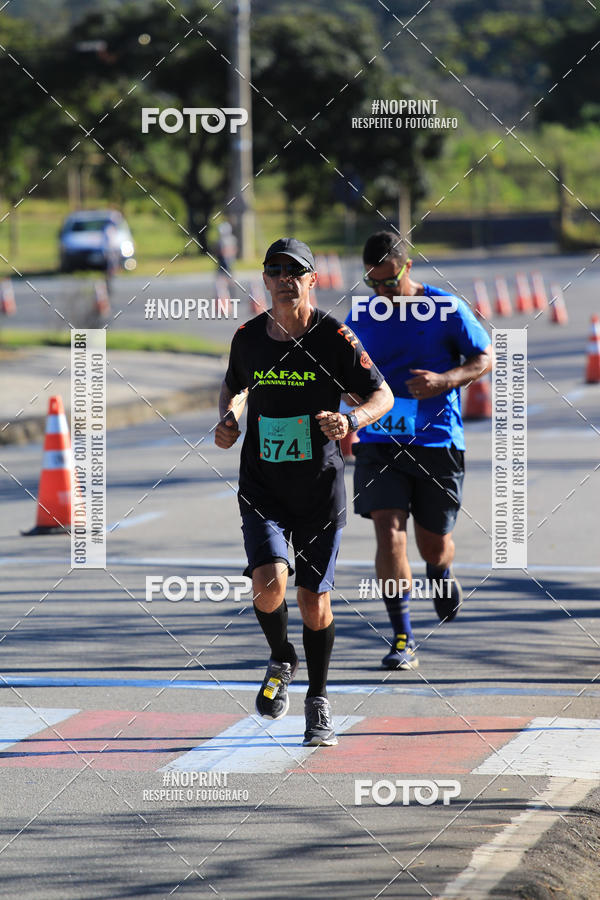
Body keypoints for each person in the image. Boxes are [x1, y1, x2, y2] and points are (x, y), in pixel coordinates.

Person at [215, 237, 393, 745]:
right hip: (263, 483)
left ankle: (319, 698)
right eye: (276, 270)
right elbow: (235, 385)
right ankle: (281, 657)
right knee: (268, 584)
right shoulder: (247, 337)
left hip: (319, 486)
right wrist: (228, 417)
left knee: (314, 601)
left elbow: (383, 393)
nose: (285, 279)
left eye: (296, 271)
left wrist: (351, 418)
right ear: (265, 281)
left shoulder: (335, 337)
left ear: (313, 280)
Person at [345, 231, 493, 670]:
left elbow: (485, 356)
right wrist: (348, 405)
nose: (382, 292)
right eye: (373, 283)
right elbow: (342, 370)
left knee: (433, 544)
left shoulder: (445, 308)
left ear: (407, 268)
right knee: (388, 530)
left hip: (437, 440)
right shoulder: (361, 314)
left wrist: (445, 381)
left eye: (389, 282)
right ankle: (402, 635)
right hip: (379, 442)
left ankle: (441, 571)